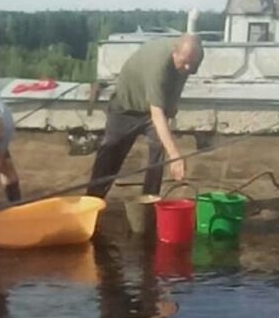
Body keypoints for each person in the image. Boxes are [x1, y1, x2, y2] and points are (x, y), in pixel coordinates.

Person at [87, 35, 204, 199]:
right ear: (174, 53)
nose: (188, 67)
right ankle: (93, 199)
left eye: (192, 64)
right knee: (111, 151)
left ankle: (149, 201)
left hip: (153, 108)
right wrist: (175, 155)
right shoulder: (158, 65)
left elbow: (173, 90)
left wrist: (170, 114)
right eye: (184, 62)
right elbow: (157, 114)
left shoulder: (189, 60)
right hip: (126, 107)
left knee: (159, 150)